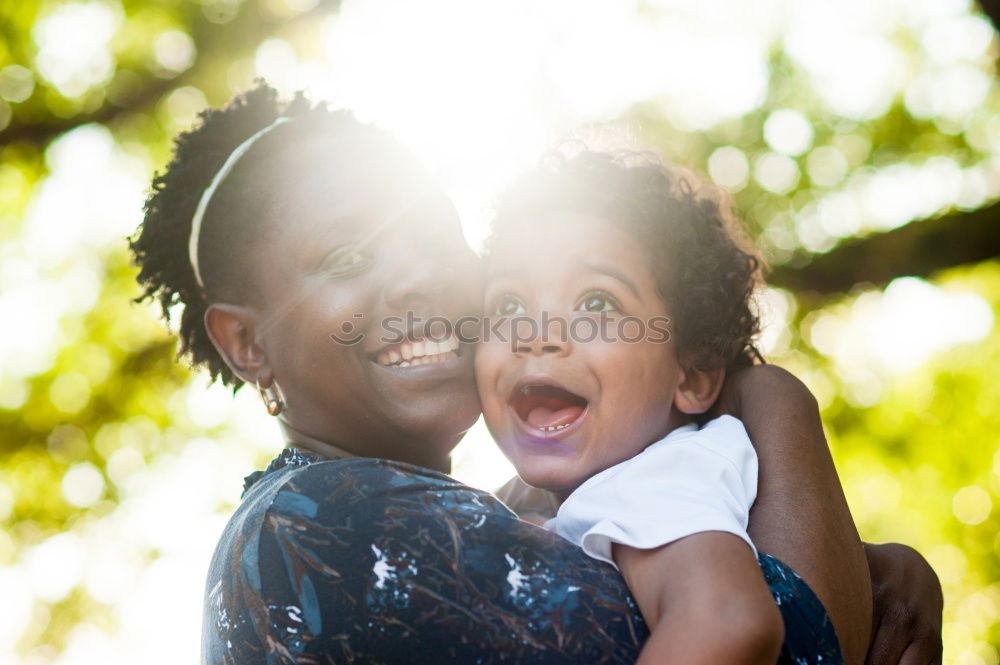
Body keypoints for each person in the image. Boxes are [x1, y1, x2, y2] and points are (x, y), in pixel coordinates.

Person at [128, 83, 944, 665]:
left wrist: (864, 560)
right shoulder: (319, 522)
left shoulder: (481, 515)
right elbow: (792, 643)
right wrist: (772, 399)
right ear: (246, 342)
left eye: (436, 234)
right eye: (346, 256)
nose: (420, 279)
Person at [475, 148, 852, 664]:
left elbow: (727, 624)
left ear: (692, 376)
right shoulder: (635, 481)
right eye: (508, 305)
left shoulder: (651, 481)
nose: (536, 335)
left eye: (596, 303)